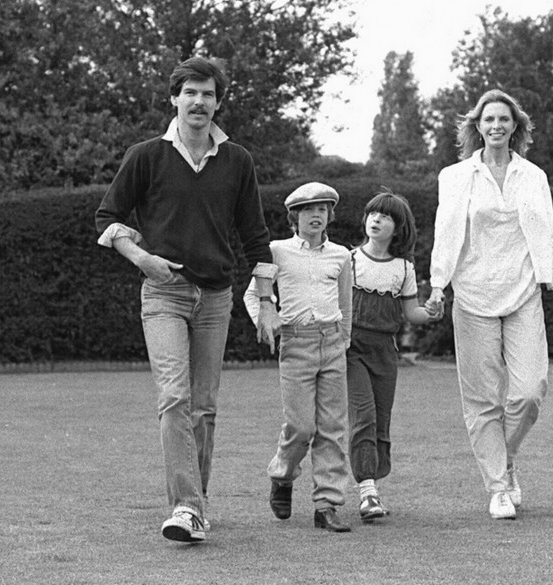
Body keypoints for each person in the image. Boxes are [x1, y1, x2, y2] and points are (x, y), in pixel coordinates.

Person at [95, 56, 279, 543]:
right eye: (190, 92)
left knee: (204, 407)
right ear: (174, 98)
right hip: (163, 293)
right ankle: (187, 507)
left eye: (208, 94)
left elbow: (255, 237)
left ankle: (193, 502)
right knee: (174, 397)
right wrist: (143, 259)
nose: (199, 102)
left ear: (218, 103)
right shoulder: (146, 156)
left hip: (216, 298)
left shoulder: (238, 161)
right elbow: (107, 218)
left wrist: (267, 303)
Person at [425, 89, 553, 520]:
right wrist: (437, 286)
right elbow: (445, 233)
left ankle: (504, 459)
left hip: (524, 295)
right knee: (482, 400)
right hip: (472, 297)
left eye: (504, 119)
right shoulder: (455, 176)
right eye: (489, 119)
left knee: (529, 392)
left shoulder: (533, 176)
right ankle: (498, 487)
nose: (496, 126)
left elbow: (549, 235)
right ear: (477, 126)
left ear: (515, 127)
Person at [243, 182, 354, 533]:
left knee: (332, 428)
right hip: (295, 344)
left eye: (322, 209)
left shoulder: (341, 255)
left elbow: (345, 302)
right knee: (301, 426)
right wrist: (266, 319)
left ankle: (327, 505)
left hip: (332, 343)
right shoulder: (277, 251)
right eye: (308, 210)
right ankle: (282, 475)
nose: (315, 216)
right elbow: (252, 295)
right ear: (295, 216)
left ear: (329, 215)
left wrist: (344, 339)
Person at [346, 190, 440, 522]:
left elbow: (412, 313)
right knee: (364, 416)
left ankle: (373, 480)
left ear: (398, 228)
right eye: (373, 213)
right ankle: (367, 493)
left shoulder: (404, 267)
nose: (376, 219)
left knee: (381, 422)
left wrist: (432, 312)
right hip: (351, 350)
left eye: (385, 216)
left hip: (385, 353)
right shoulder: (349, 260)